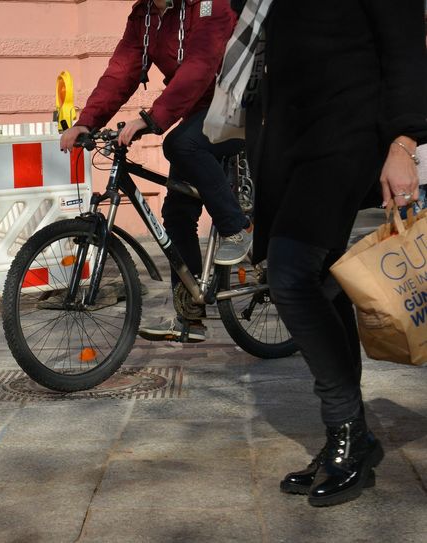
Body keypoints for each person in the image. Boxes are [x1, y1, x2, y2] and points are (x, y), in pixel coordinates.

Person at [241, 0, 427, 507]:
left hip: (346, 133)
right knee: (321, 279)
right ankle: (352, 436)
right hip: (288, 141)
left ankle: (346, 427)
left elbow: (408, 49)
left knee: (290, 274)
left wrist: (404, 144)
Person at [60, 0, 252, 343]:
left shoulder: (209, 5)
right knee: (177, 215)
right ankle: (190, 319)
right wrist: (86, 122)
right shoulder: (145, 15)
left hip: (239, 102)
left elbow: (200, 65)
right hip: (197, 110)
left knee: (181, 144)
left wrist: (152, 119)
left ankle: (237, 228)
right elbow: (121, 71)